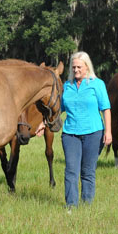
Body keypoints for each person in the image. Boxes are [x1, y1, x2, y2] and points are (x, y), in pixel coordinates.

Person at [39, 51, 111, 210]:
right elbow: (59, 109)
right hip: (70, 134)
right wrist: (43, 124)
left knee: (87, 171)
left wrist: (108, 132)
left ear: (87, 67)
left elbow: (105, 108)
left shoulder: (97, 84)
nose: (76, 70)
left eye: (79, 66)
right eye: (74, 67)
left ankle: (87, 205)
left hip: (93, 133)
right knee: (71, 170)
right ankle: (71, 205)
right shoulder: (67, 86)